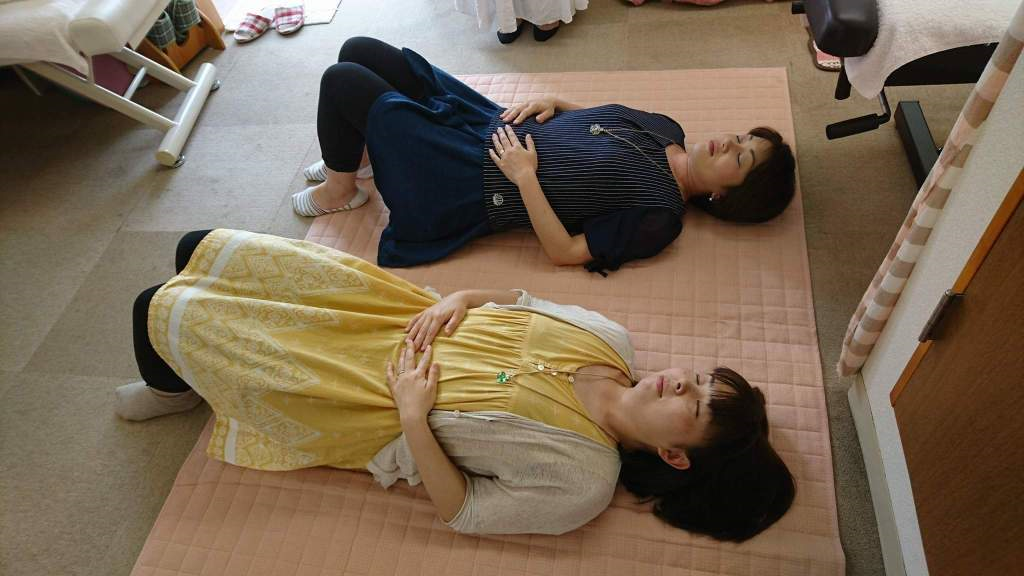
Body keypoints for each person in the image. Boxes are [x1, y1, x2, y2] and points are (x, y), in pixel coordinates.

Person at [115, 229, 795, 541]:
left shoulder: (583, 481)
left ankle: (174, 392)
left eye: (693, 405)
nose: (679, 383)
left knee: (156, 306)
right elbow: (520, 299)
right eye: (697, 378)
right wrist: (461, 297)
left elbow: (464, 511)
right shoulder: (610, 339)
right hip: (389, 311)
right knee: (195, 246)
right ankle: (182, 368)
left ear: (675, 456)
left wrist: (414, 418)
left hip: (365, 392)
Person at [293, 37, 795, 275]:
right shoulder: (669, 128)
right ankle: (361, 161)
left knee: (342, 81)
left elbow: (566, 252)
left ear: (722, 196)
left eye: (741, 159)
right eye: (741, 137)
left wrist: (525, 178)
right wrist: (557, 102)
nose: (729, 143)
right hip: (488, 122)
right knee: (359, 50)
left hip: (473, 178)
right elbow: (601, 120)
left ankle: (342, 189)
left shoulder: (661, 217)